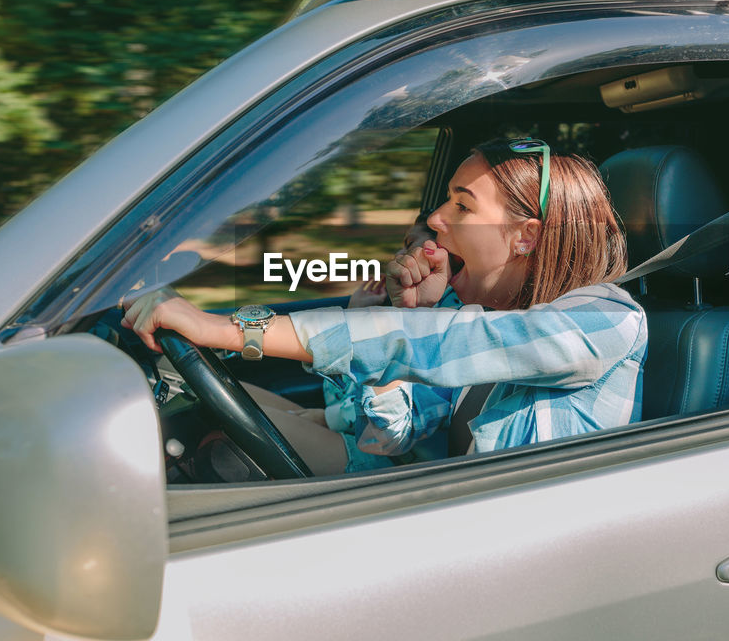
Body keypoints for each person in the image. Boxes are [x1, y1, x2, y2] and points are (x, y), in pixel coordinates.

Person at [123, 137, 647, 475]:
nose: (436, 219)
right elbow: (391, 434)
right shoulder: (485, 321)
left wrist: (224, 327)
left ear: (525, 237)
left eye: (462, 205)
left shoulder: (604, 321)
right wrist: (415, 315)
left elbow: (449, 345)